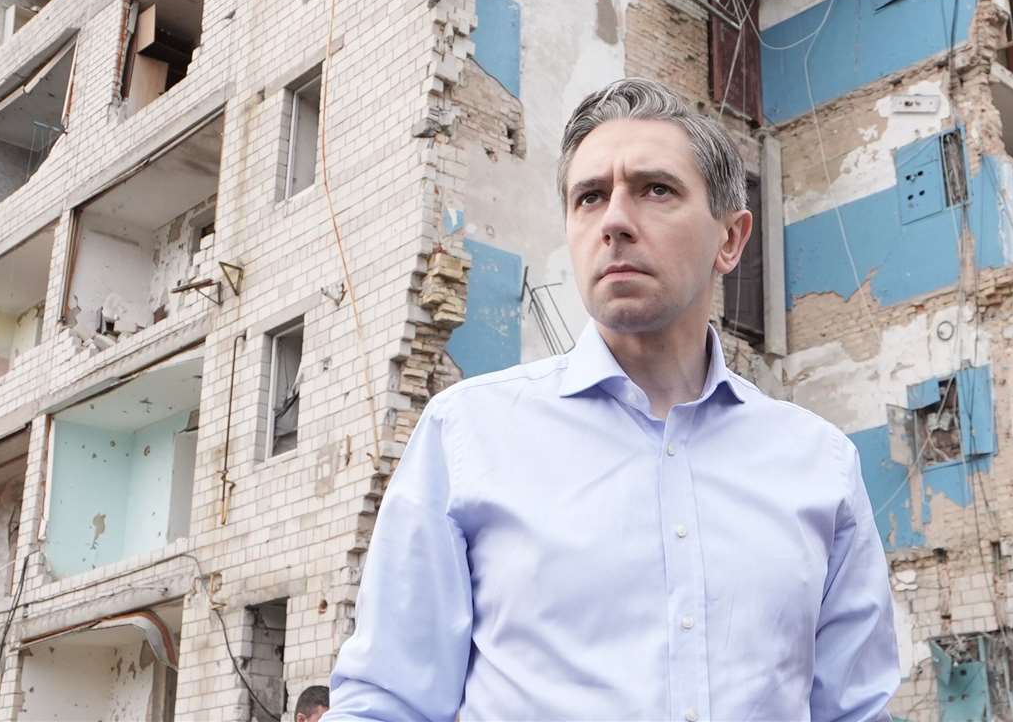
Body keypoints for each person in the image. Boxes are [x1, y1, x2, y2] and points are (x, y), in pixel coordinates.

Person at [326, 78, 899, 721]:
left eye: (656, 190)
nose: (616, 222)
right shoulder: (467, 437)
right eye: (590, 197)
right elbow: (387, 703)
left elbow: (856, 710)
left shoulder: (819, 465)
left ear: (731, 239)